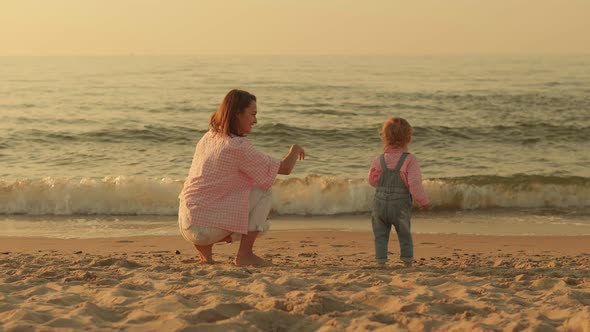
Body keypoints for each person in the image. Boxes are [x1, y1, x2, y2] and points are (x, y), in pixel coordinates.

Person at [178, 89, 305, 266]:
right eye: (252, 114)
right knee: (264, 192)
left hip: (186, 224)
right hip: (204, 229)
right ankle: (245, 255)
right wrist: (295, 149)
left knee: (210, 194)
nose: (255, 120)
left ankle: (206, 258)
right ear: (238, 113)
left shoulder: (208, 137)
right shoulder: (238, 146)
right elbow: (284, 168)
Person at [368, 117, 429, 267]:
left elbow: (372, 180)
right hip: (400, 206)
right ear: (408, 138)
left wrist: (384, 187)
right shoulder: (409, 160)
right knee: (404, 233)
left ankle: (381, 262)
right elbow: (414, 184)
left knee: (380, 234)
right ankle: (407, 261)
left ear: (384, 137)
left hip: (379, 204)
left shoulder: (379, 159)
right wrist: (423, 201)